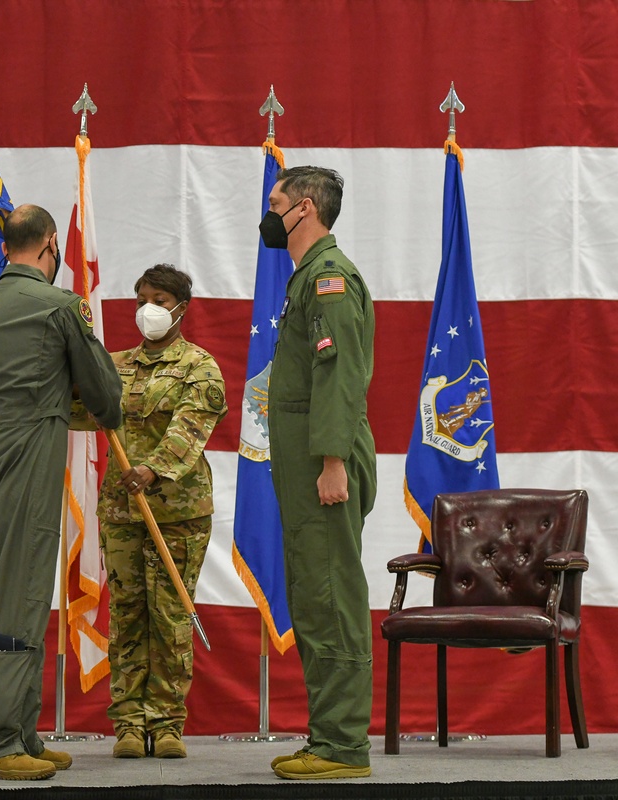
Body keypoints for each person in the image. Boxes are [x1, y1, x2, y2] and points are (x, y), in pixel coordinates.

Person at [0, 204, 123, 780]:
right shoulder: (58, 307)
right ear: (50, 245)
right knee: (20, 594)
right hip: (31, 451)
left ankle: (21, 729)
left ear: (6, 247)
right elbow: (102, 390)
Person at [80, 263, 228, 760]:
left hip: (178, 512)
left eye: (160, 299)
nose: (150, 308)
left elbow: (191, 428)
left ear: (181, 308)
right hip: (122, 512)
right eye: (143, 298)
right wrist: (71, 362)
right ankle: (127, 722)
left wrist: (153, 469)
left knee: (169, 616)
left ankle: (166, 723)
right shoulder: (115, 365)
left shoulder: (200, 367)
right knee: (126, 615)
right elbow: (82, 409)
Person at [260, 167, 377, 780]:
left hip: (323, 463)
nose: (269, 213)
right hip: (305, 460)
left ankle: (342, 745)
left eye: (275, 203)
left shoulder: (329, 280)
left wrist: (333, 462)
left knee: (330, 595)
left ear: (304, 209)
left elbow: (340, 378)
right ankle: (328, 735)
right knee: (313, 592)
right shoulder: (306, 278)